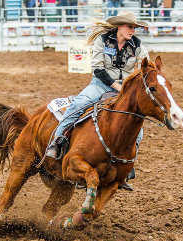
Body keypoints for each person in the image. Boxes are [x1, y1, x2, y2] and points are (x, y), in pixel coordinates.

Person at [46, 10, 150, 191]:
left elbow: (145, 67)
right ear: (120, 27)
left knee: (137, 128)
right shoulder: (102, 41)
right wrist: (117, 87)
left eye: (134, 28)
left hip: (124, 88)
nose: (133, 31)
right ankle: (57, 141)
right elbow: (98, 69)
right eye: (130, 27)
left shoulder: (137, 46)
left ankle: (126, 169)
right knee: (78, 105)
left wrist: (136, 82)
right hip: (100, 85)